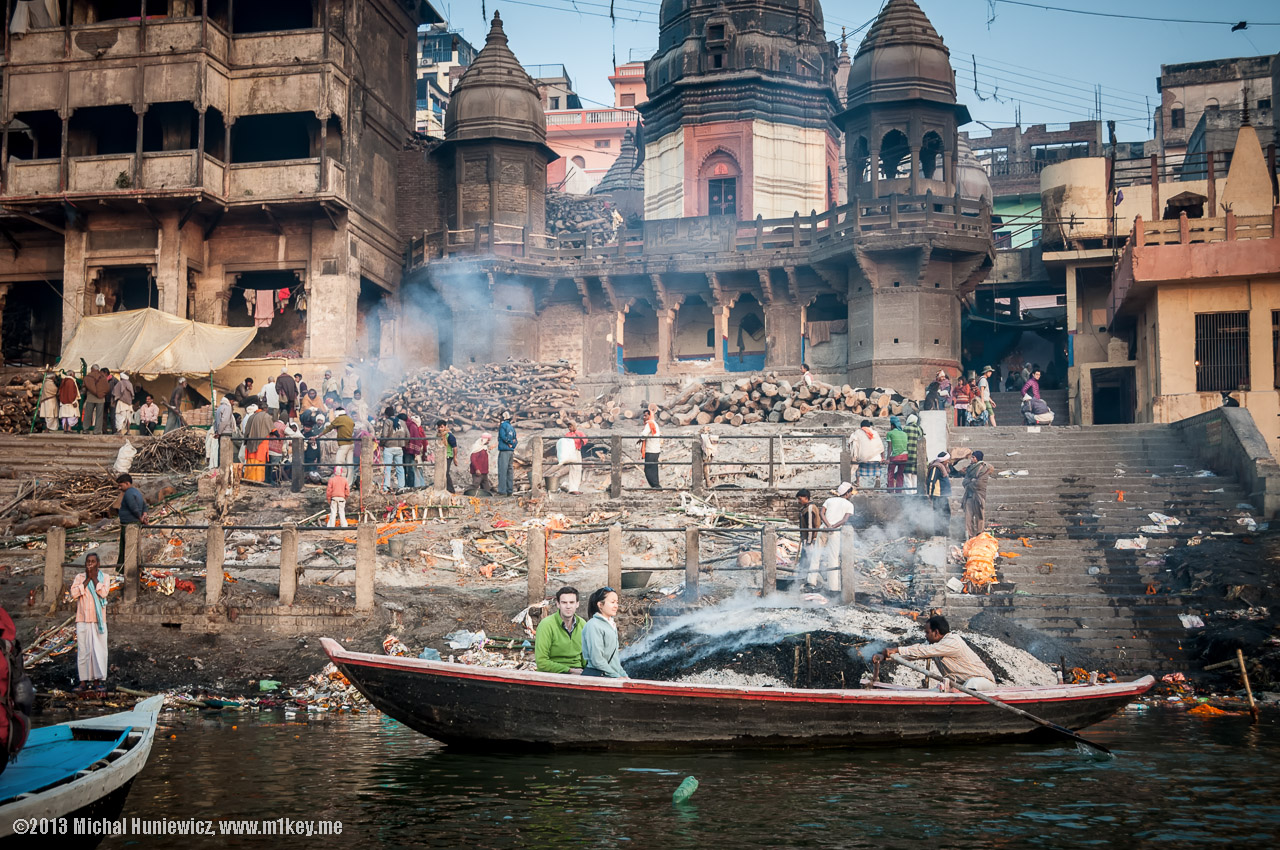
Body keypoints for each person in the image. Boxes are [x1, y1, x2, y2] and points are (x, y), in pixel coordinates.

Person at [879, 615, 997, 692]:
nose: (925, 635)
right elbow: (915, 654)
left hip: (983, 684)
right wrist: (887, 658)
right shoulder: (935, 645)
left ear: (936, 632)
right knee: (935, 691)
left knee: (972, 683)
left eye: (927, 632)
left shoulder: (952, 641)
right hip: (960, 686)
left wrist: (897, 649)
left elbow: (924, 651)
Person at [69, 553, 110, 690]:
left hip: (99, 621)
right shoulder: (79, 578)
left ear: (98, 564)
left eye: (93, 561)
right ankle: (83, 681)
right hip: (83, 620)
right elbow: (74, 594)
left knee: (99, 651)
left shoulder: (104, 577)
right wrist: (87, 579)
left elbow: (104, 593)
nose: (90, 564)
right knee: (83, 651)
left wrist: (94, 579)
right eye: (88, 561)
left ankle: (97, 681)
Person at [534, 586, 586, 674]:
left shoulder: (583, 624)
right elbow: (541, 662)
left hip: (579, 672)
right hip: (553, 674)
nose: (568, 606)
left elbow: (585, 658)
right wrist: (569, 670)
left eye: (571, 602)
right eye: (564, 602)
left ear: (577, 604)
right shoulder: (546, 625)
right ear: (558, 604)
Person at [817, 482, 856, 592]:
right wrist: (833, 527)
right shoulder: (849, 505)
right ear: (847, 493)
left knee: (816, 555)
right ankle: (833, 587)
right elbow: (844, 520)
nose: (851, 495)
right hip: (835, 532)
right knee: (833, 558)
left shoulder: (829, 500)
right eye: (850, 493)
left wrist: (828, 525)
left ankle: (811, 581)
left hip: (823, 528)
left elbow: (821, 513)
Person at [580, 587, 627, 678]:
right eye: (612, 602)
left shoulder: (611, 624)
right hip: (597, 677)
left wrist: (624, 675)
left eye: (617, 602)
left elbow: (614, 660)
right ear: (600, 605)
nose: (616, 606)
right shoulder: (593, 625)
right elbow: (597, 660)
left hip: (609, 676)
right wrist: (616, 676)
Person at [115, 474, 146, 566]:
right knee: (135, 548)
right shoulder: (137, 492)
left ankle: (128, 569)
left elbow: (133, 508)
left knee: (128, 549)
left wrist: (140, 518)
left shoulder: (128, 493)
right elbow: (144, 505)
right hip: (134, 523)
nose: (119, 488)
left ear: (127, 483)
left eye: (121, 485)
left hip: (129, 525)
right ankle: (138, 568)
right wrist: (144, 515)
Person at [962, 450, 994, 539]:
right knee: (968, 517)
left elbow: (979, 484)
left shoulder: (983, 468)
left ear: (977, 458)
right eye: (971, 457)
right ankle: (970, 536)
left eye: (973, 457)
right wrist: (971, 481)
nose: (971, 459)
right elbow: (964, 482)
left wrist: (970, 483)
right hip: (969, 496)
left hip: (978, 496)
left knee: (979, 517)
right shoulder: (970, 468)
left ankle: (979, 536)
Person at [796, 488, 823, 587]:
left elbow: (811, 527)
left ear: (806, 498)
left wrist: (808, 542)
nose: (799, 501)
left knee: (810, 560)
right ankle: (803, 579)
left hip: (810, 540)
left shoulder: (810, 508)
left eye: (800, 499)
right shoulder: (805, 508)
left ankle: (814, 581)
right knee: (805, 560)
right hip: (807, 539)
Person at [848, 420, 885, 490]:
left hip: (863, 461)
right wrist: (882, 458)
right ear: (869, 426)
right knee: (878, 461)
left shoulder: (857, 433)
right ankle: (878, 478)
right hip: (876, 461)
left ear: (861, 426)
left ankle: (857, 482)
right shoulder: (875, 433)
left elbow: (850, 445)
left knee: (856, 461)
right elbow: (881, 447)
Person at [378, 407, 407, 491]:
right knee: (400, 468)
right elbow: (407, 435)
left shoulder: (387, 421)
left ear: (386, 415)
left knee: (387, 468)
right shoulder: (402, 422)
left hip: (389, 448)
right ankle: (401, 487)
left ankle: (386, 487)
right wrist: (403, 444)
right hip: (399, 448)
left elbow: (384, 435)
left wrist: (381, 444)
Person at [242, 404, 272, 483]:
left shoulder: (251, 417)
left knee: (251, 462)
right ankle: (258, 480)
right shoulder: (266, 416)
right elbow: (273, 429)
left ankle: (249, 479)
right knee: (259, 463)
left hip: (250, 445)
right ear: (265, 408)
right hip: (261, 446)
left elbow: (246, 432)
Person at [321, 407, 355, 476]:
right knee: (350, 463)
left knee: (339, 462)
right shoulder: (350, 419)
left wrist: (318, 436)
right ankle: (349, 481)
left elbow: (329, 428)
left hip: (344, 444)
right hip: (351, 444)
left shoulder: (339, 419)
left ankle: (340, 478)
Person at [926, 452, 953, 537]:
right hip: (937, 495)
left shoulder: (943, 467)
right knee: (938, 514)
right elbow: (931, 481)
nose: (948, 461)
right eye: (947, 460)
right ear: (943, 460)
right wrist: (930, 494)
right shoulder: (936, 467)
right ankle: (938, 534)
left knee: (946, 513)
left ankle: (945, 532)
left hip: (943, 496)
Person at [558, 423, 586, 493]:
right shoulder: (568, 434)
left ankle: (576, 488)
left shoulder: (579, 433)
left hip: (578, 451)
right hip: (571, 452)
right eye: (568, 427)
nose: (569, 428)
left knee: (578, 469)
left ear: (574, 426)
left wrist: (580, 439)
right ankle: (572, 489)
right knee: (573, 469)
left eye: (571, 426)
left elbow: (584, 440)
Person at [83, 366, 109, 434]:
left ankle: (85, 429)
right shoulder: (103, 376)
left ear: (92, 369)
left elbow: (84, 387)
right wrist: (101, 394)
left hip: (90, 398)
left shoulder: (88, 376)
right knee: (99, 416)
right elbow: (107, 387)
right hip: (101, 399)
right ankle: (97, 431)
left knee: (88, 414)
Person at [639, 409, 661, 488]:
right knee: (654, 469)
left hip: (650, 449)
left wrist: (640, 439)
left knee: (648, 469)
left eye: (646, 415)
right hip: (656, 449)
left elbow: (644, 435)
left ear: (649, 416)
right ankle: (656, 485)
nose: (644, 417)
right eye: (644, 416)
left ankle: (654, 485)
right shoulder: (654, 424)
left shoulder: (649, 424)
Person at [884, 416, 908, 491]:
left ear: (892, 425)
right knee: (900, 474)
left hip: (895, 457)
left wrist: (888, 458)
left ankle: (890, 490)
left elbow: (890, 447)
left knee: (890, 473)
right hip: (905, 456)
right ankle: (899, 491)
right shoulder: (904, 434)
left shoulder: (890, 433)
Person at [404, 414, 427, 489]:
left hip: (414, 451)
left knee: (413, 468)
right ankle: (420, 484)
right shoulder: (418, 429)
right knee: (417, 468)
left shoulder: (413, 428)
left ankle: (416, 485)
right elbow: (424, 442)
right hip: (418, 451)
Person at [497, 411, 517, 496]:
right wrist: (512, 445)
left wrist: (508, 442)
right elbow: (515, 440)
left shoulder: (503, 426)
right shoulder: (511, 427)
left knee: (503, 470)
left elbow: (502, 436)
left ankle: (502, 490)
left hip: (504, 451)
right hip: (510, 451)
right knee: (510, 471)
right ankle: (510, 490)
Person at [903, 413, 924, 492]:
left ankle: (909, 494)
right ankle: (915, 493)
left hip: (907, 455)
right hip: (917, 456)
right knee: (914, 476)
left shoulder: (905, 428)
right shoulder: (919, 429)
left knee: (907, 476)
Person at [436, 420, 458, 493]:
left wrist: (455, 458)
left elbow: (454, 447)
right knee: (440, 472)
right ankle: (441, 488)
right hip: (440, 456)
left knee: (445, 472)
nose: (440, 429)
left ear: (445, 427)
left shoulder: (449, 436)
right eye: (439, 427)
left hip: (448, 456)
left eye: (441, 427)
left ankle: (451, 490)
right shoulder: (438, 435)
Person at [698, 425, 719, 489]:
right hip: (705, 452)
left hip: (710, 452)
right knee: (706, 464)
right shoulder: (702, 437)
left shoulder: (711, 437)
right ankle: (707, 481)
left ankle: (707, 480)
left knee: (708, 464)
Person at [267, 420, 287, 485]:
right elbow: (293, 434)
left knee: (268, 468)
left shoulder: (273, 423)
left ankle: (268, 481)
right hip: (276, 452)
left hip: (268, 449)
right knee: (275, 469)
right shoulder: (283, 427)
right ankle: (274, 482)